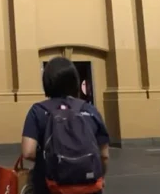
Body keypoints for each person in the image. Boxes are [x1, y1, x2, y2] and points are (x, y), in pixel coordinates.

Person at [21, 58, 110, 194]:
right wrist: (101, 176)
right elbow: (104, 154)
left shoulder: (38, 111)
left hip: (50, 187)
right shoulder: (90, 110)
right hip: (89, 186)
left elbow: (28, 152)